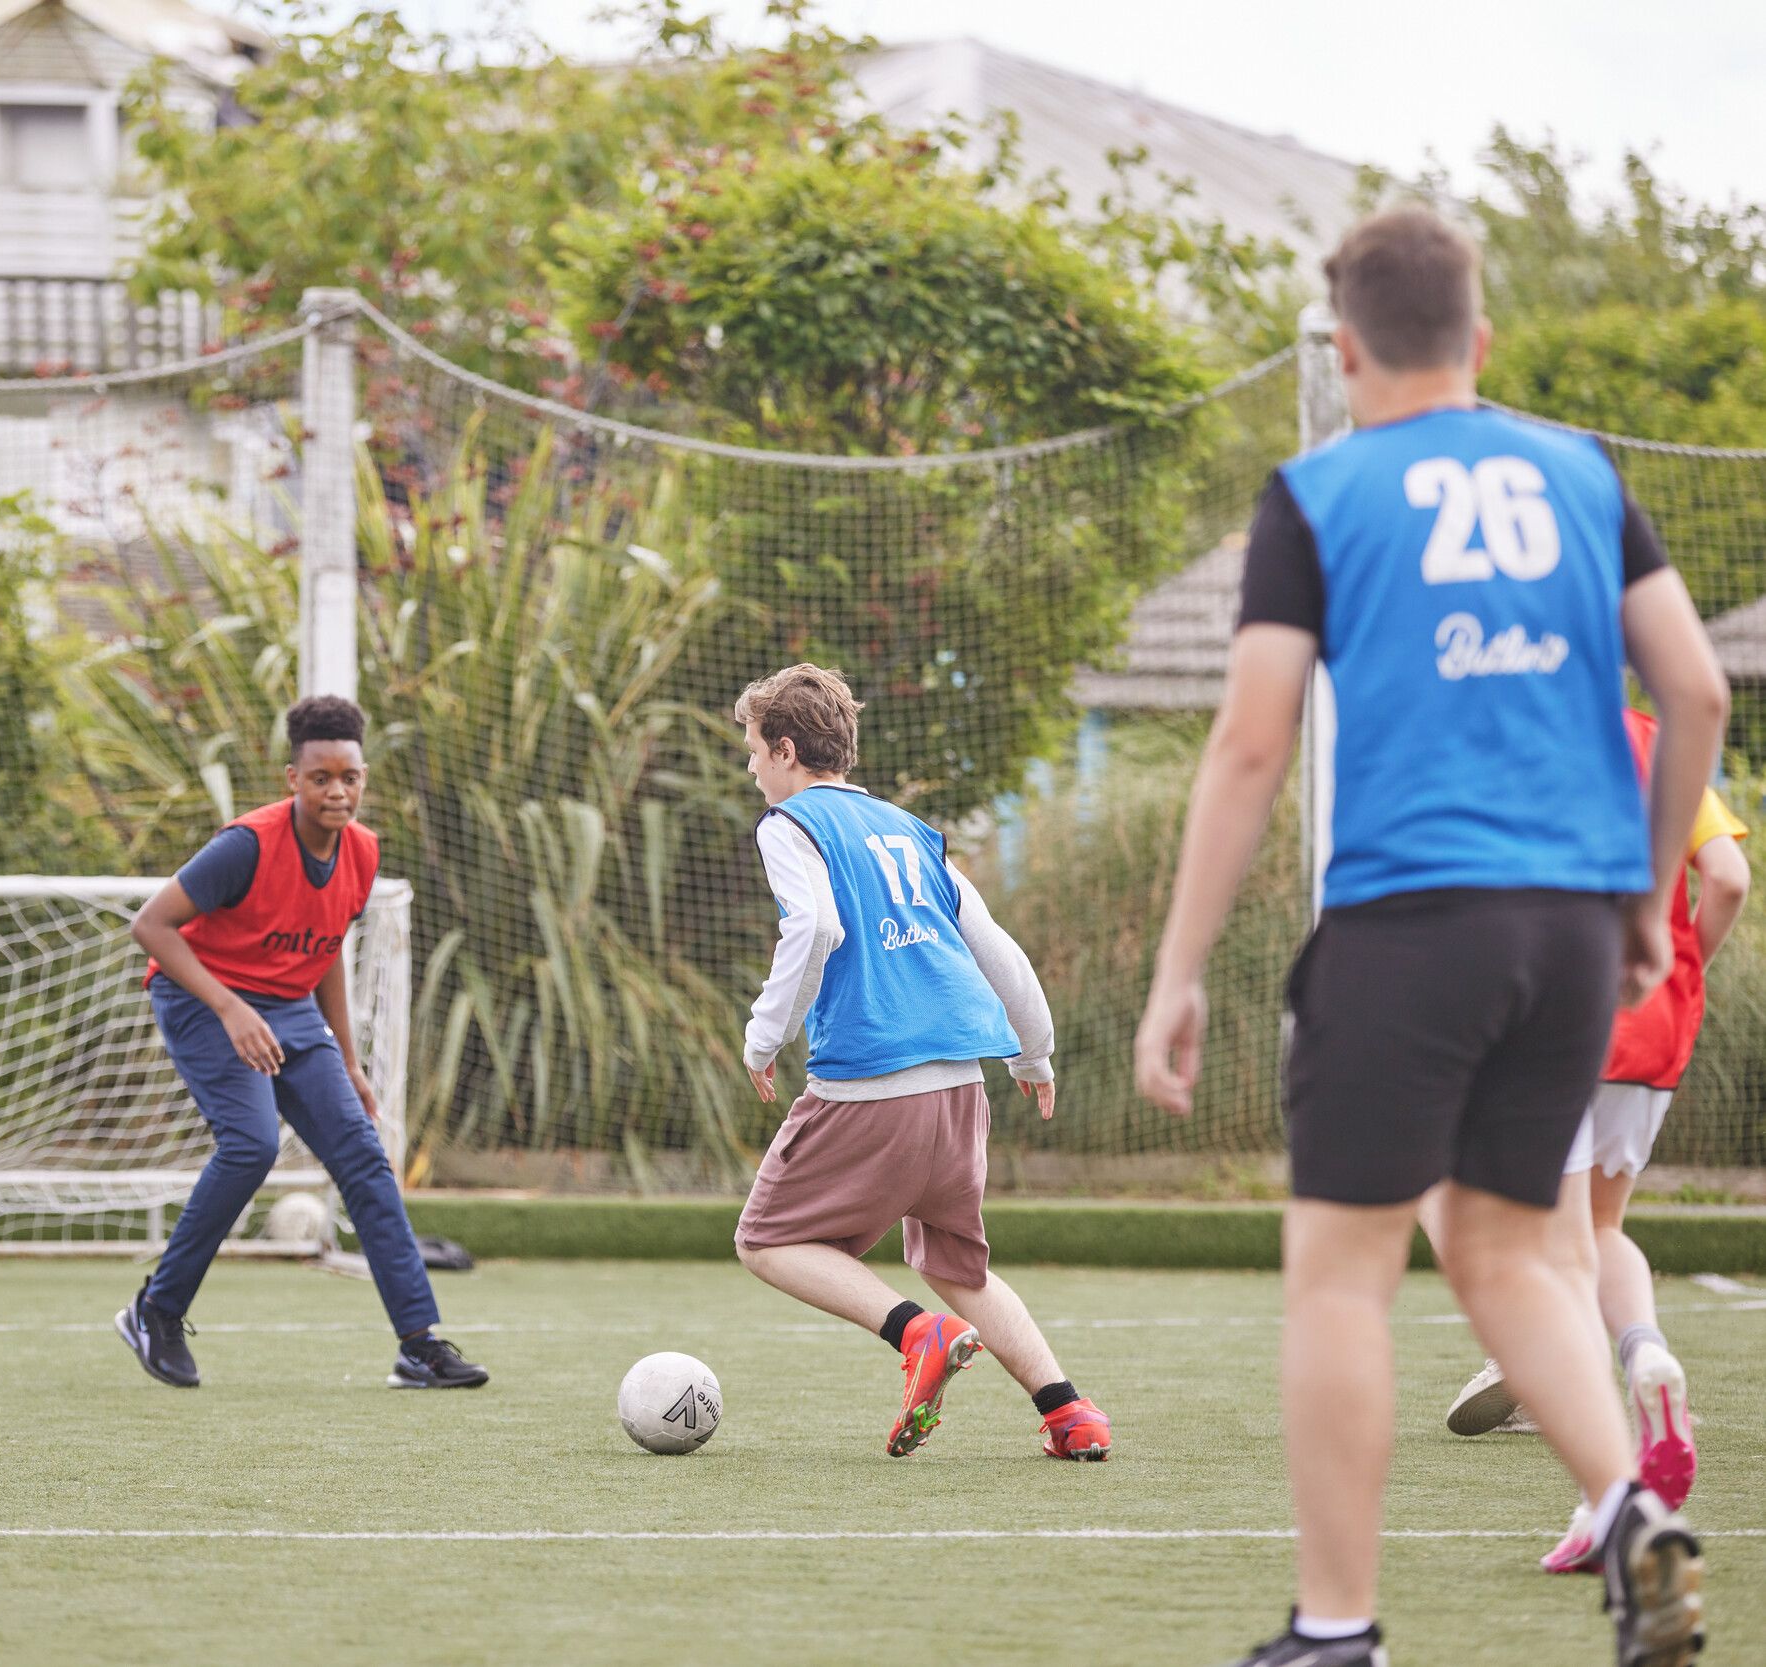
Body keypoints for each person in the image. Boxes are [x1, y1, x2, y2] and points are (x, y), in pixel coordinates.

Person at [1134, 208, 1721, 1667]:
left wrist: (1177, 966)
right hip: (1570, 933)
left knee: (1339, 1270)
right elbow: (1696, 696)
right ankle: (1627, 1511)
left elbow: (1248, 743)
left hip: (1408, 921)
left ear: (1342, 353)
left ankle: (1334, 1627)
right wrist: (1644, 901)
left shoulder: (1319, 488)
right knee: (1507, 1246)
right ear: (1481, 341)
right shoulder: (1581, 473)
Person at [729, 664, 1111, 1461]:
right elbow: (996, 948)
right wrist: (1034, 1053)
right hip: (961, 1086)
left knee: (765, 1239)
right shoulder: (909, 829)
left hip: (871, 1082)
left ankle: (917, 1334)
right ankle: (1069, 1411)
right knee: (955, 1261)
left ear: (788, 750)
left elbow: (814, 930)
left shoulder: (788, 822)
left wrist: (762, 1039)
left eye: (754, 750)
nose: (752, 766)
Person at [1436, 706, 1748, 1573]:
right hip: (1654, 1030)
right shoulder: (1658, 740)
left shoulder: (1507, 735)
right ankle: (1644, 1348)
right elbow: (1726, 877)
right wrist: (1680, 978)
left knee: (1556, 1251)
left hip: (1549, 1023)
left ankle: (1604, 1495)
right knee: (1601, 1232)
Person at [118, 695, 486, 1390]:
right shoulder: (245, 845)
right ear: (293, 778)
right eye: (320, 777)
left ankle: (418, 1344)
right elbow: (152, 927)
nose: (336, 790)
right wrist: (229, 1009)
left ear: (363, 776)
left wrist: (346, 1061)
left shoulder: (364, 851)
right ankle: (156, 1311)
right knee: (251, 1143)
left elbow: (326, 951)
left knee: (363, 1155)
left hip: (288, 1007)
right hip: (201, 997)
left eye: (349, 776)